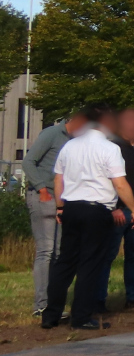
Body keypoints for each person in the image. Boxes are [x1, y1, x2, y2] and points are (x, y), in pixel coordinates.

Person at [42, 105, 134, 331]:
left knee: (65, 262)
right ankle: (81, 317)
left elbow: (59, 180)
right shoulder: (110, 149)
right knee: (90, 264)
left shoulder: (69, 146)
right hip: (97, 210)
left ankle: (51, 315)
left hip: (72, 208)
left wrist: (60, 207)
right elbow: (119, 183)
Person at [21, 110, 81, 319]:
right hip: (42, 196)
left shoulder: (76, 142)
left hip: (61, 200)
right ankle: (41, 305)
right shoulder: (51, 134)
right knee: (46, 251)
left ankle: (54, 303)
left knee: (58, 252)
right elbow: (28, 162)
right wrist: (42, 189)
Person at [95, 107, 134, 312]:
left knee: (133, 255)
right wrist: (115, 208)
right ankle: (99, 300)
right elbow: (110, 181)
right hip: (118, 212)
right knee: (108, 255)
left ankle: (133, 297)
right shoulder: (114, 148)